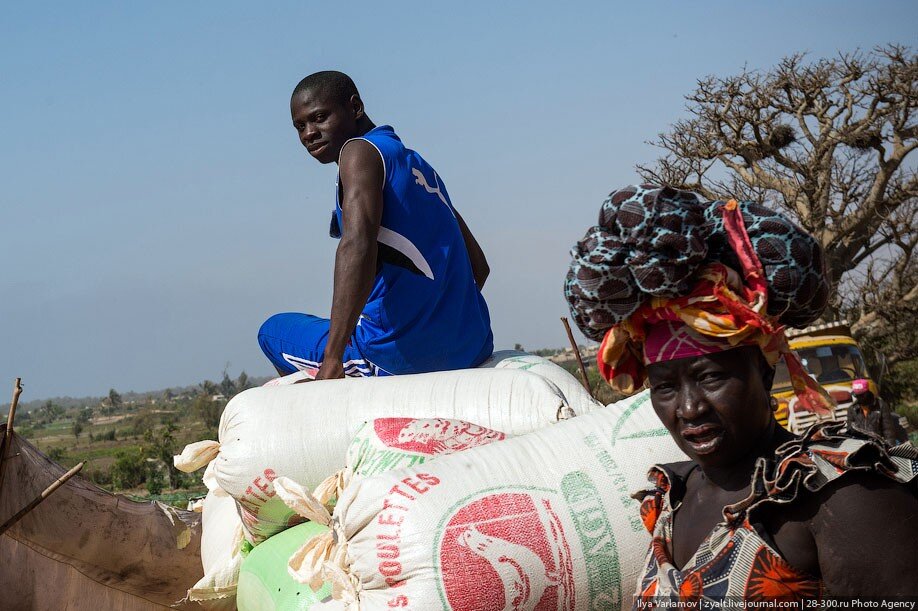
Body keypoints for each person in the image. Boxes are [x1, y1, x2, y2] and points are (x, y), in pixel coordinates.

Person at [566, 186, 918, 600]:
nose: (690, 408)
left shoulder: (842, 496)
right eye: (664, 387)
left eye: (712, 378)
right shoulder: (671, 499)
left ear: (765, 372)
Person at [259, 71, 493, 380]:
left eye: (319, 118)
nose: (308, 134)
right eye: (300, 126)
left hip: (399, 356)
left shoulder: (358, 152)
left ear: (355, 108)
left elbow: (357, 244)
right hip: (474, 344)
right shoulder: (419, 168)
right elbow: (480, 267)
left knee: (273, 332)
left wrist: (332, 359)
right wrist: (444, 323)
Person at [847, 379, 908, 446]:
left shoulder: (881, 406)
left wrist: (890, 447)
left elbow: (888, 430)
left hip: (879, 446)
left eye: (861, 395)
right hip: (861, 447)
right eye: (857, 396)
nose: (859, 398)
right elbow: (850, 432)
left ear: (867, 392)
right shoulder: (852, 409)